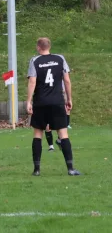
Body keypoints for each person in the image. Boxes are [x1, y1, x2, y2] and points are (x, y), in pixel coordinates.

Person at [26, 37, 80, 176]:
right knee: (63, 134)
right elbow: (67, 80)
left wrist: (28, 101)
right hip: (57, 101)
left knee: (38, 134)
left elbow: (32, 82)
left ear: (38, 47)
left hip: (41, 102)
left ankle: (37, 170)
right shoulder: (60, 59)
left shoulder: (34, 61)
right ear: (49, 46)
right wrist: (69, 99)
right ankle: (70, 168)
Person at [45, 83, 71, 152]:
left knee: (64, 123)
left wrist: (67, 100)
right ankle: (51, 146)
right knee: (48, 125)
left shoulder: (61, 78)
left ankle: (59, 140)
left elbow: (66, 87)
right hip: (49, 103)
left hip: (60, 102)